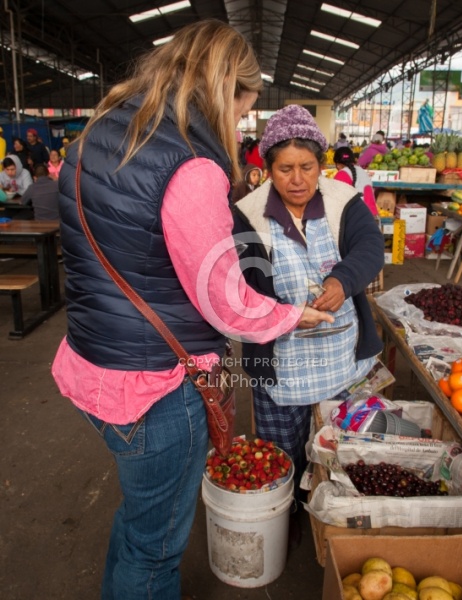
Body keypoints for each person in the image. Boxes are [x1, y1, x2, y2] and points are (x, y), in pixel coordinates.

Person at [51, 20, 331, 600]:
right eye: (242, 110)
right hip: (157, 387)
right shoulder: (189, 165)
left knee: (139, 526)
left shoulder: (97, 135)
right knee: (156, 554)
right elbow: (228, 304)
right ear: (225, 90)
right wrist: (290, 315)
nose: (238, 125)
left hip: (92, 364)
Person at [232, 104, 384, 531]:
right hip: (282, 361)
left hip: (342, 355)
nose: (297, 180)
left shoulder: (343, 201)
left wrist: (342, 281)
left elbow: (370, 248)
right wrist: (285, 315)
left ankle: (335, 517)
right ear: (267, 169)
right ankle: (290, 518)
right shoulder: (246, 214)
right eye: (284, 169)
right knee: (282, 449)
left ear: (321, 165)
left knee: (338, 443)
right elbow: (241, 287)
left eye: (307, 167)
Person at [333, 146, 378, 217]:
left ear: (338, 164)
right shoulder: (362, 172)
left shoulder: (342, 174)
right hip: (372, 217)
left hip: (357, 219)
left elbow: (335, 203)